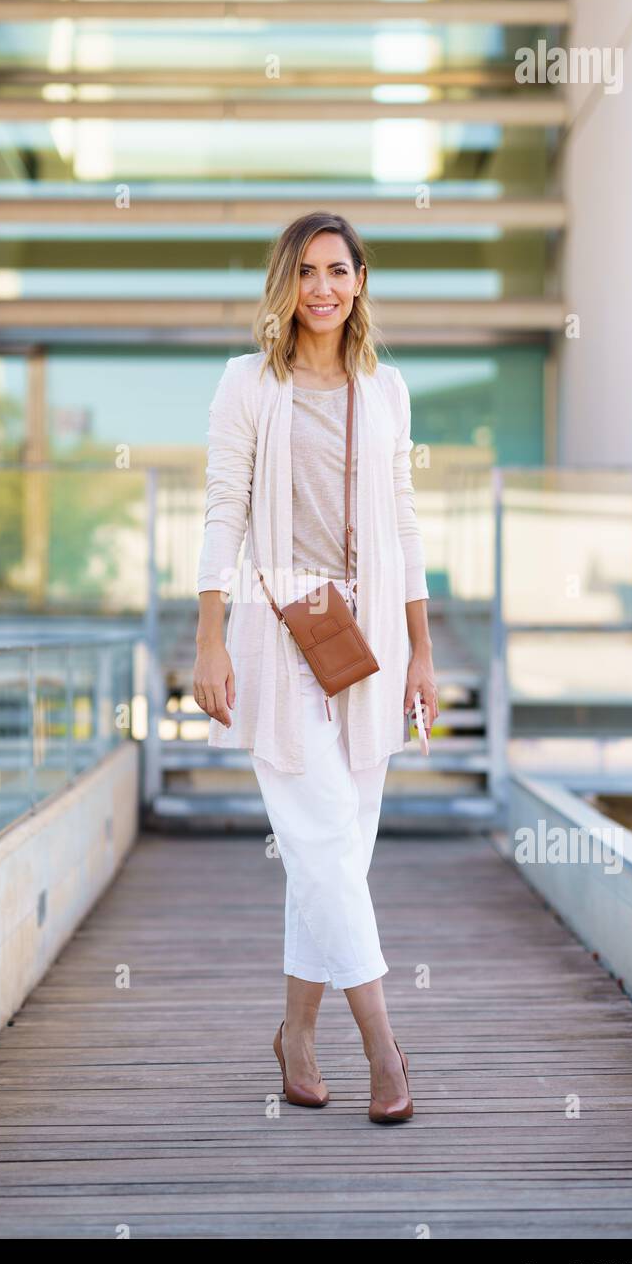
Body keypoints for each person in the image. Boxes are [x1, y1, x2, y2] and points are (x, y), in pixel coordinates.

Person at [194, 212, 437, 1123]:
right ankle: (384, 1046)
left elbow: (406, 526)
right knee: (326, 838)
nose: (323, 288)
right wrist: (209, 635)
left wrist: (420, 650)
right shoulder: (247, 384)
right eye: (306, 272)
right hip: (273, 630)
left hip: (366, 640)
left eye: (339, 270)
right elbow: (223, 510)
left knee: (331, 856)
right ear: (285, 284)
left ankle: (296, 1033)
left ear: (362, 281)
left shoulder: (386, 391)